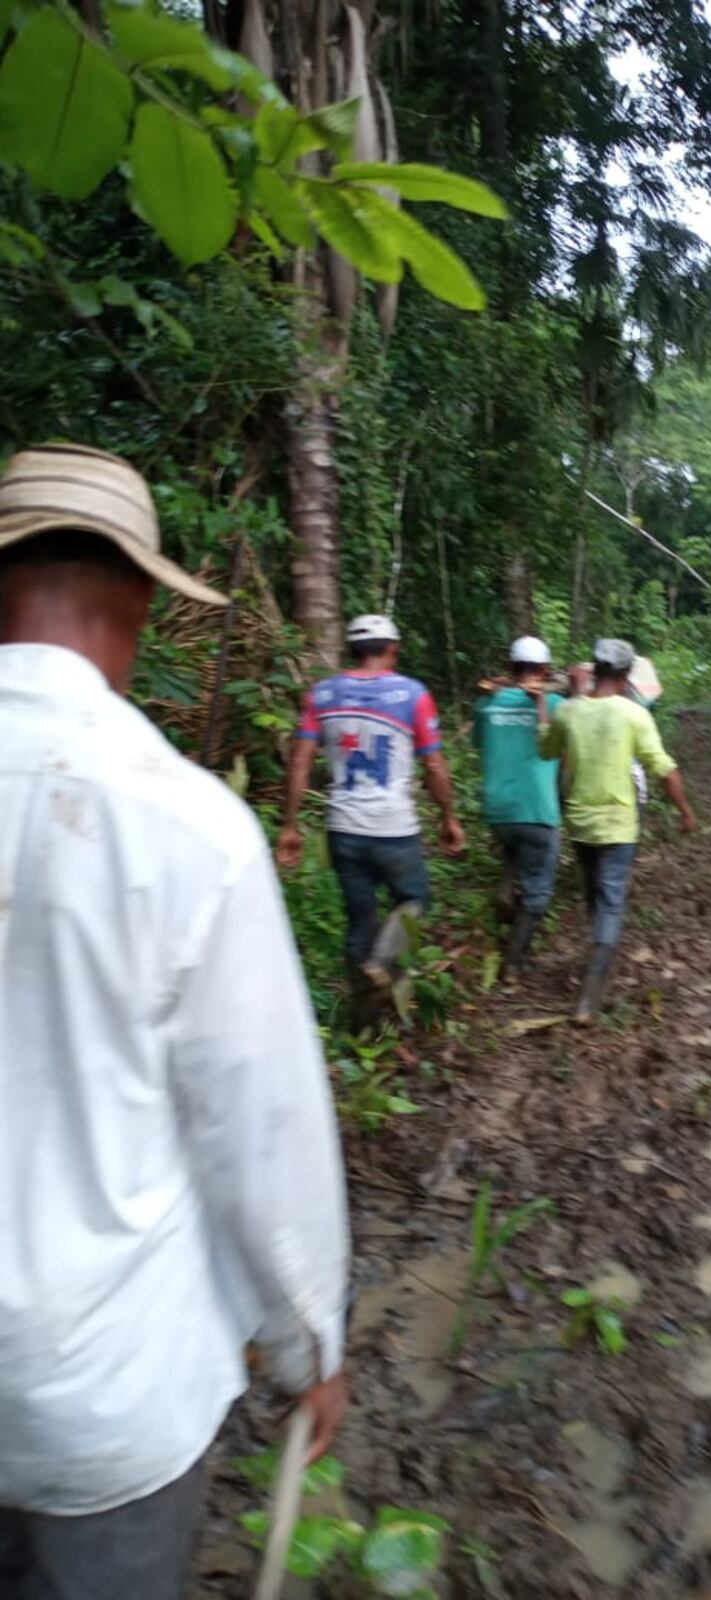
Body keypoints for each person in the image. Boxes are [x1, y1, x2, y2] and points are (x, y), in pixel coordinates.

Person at [0, 444, 349, 1600]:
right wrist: (308, 1345)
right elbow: (260, 1132)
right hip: (100, 1398)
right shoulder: (186, 828)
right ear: (143, 597)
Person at [276, 615, 466, 985]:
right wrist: (449, 818)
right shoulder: (413, 695)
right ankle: (381, 964)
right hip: (394, 827)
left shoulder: (322, 694)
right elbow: (435, 764)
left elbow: (299, 761)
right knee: (415, 902)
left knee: (359, 920)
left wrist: (289, 825)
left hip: (343, 828)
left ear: (353, 650)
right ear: (392, 649)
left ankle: (361, 1017)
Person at [536, 637, 697, 1021]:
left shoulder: (570, 711)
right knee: (611, 899)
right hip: (619, 825)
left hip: (580, 824)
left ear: (595, 669)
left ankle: (597, 954)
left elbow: (545, 751)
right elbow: (663, 769)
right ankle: (590, 993)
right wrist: (686, 812)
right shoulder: (634, 715)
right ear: (625, 676)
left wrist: (544, 705)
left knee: (594, 892)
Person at [473, 635, 564, 981]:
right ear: (543, 669)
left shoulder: (487, 704)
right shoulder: (554, 704)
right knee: (538, 885)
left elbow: (481, 742)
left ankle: (505, 890)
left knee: (514, 849)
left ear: (510, 669)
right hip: (537, 809)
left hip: (498, 808)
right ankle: (514, 961)